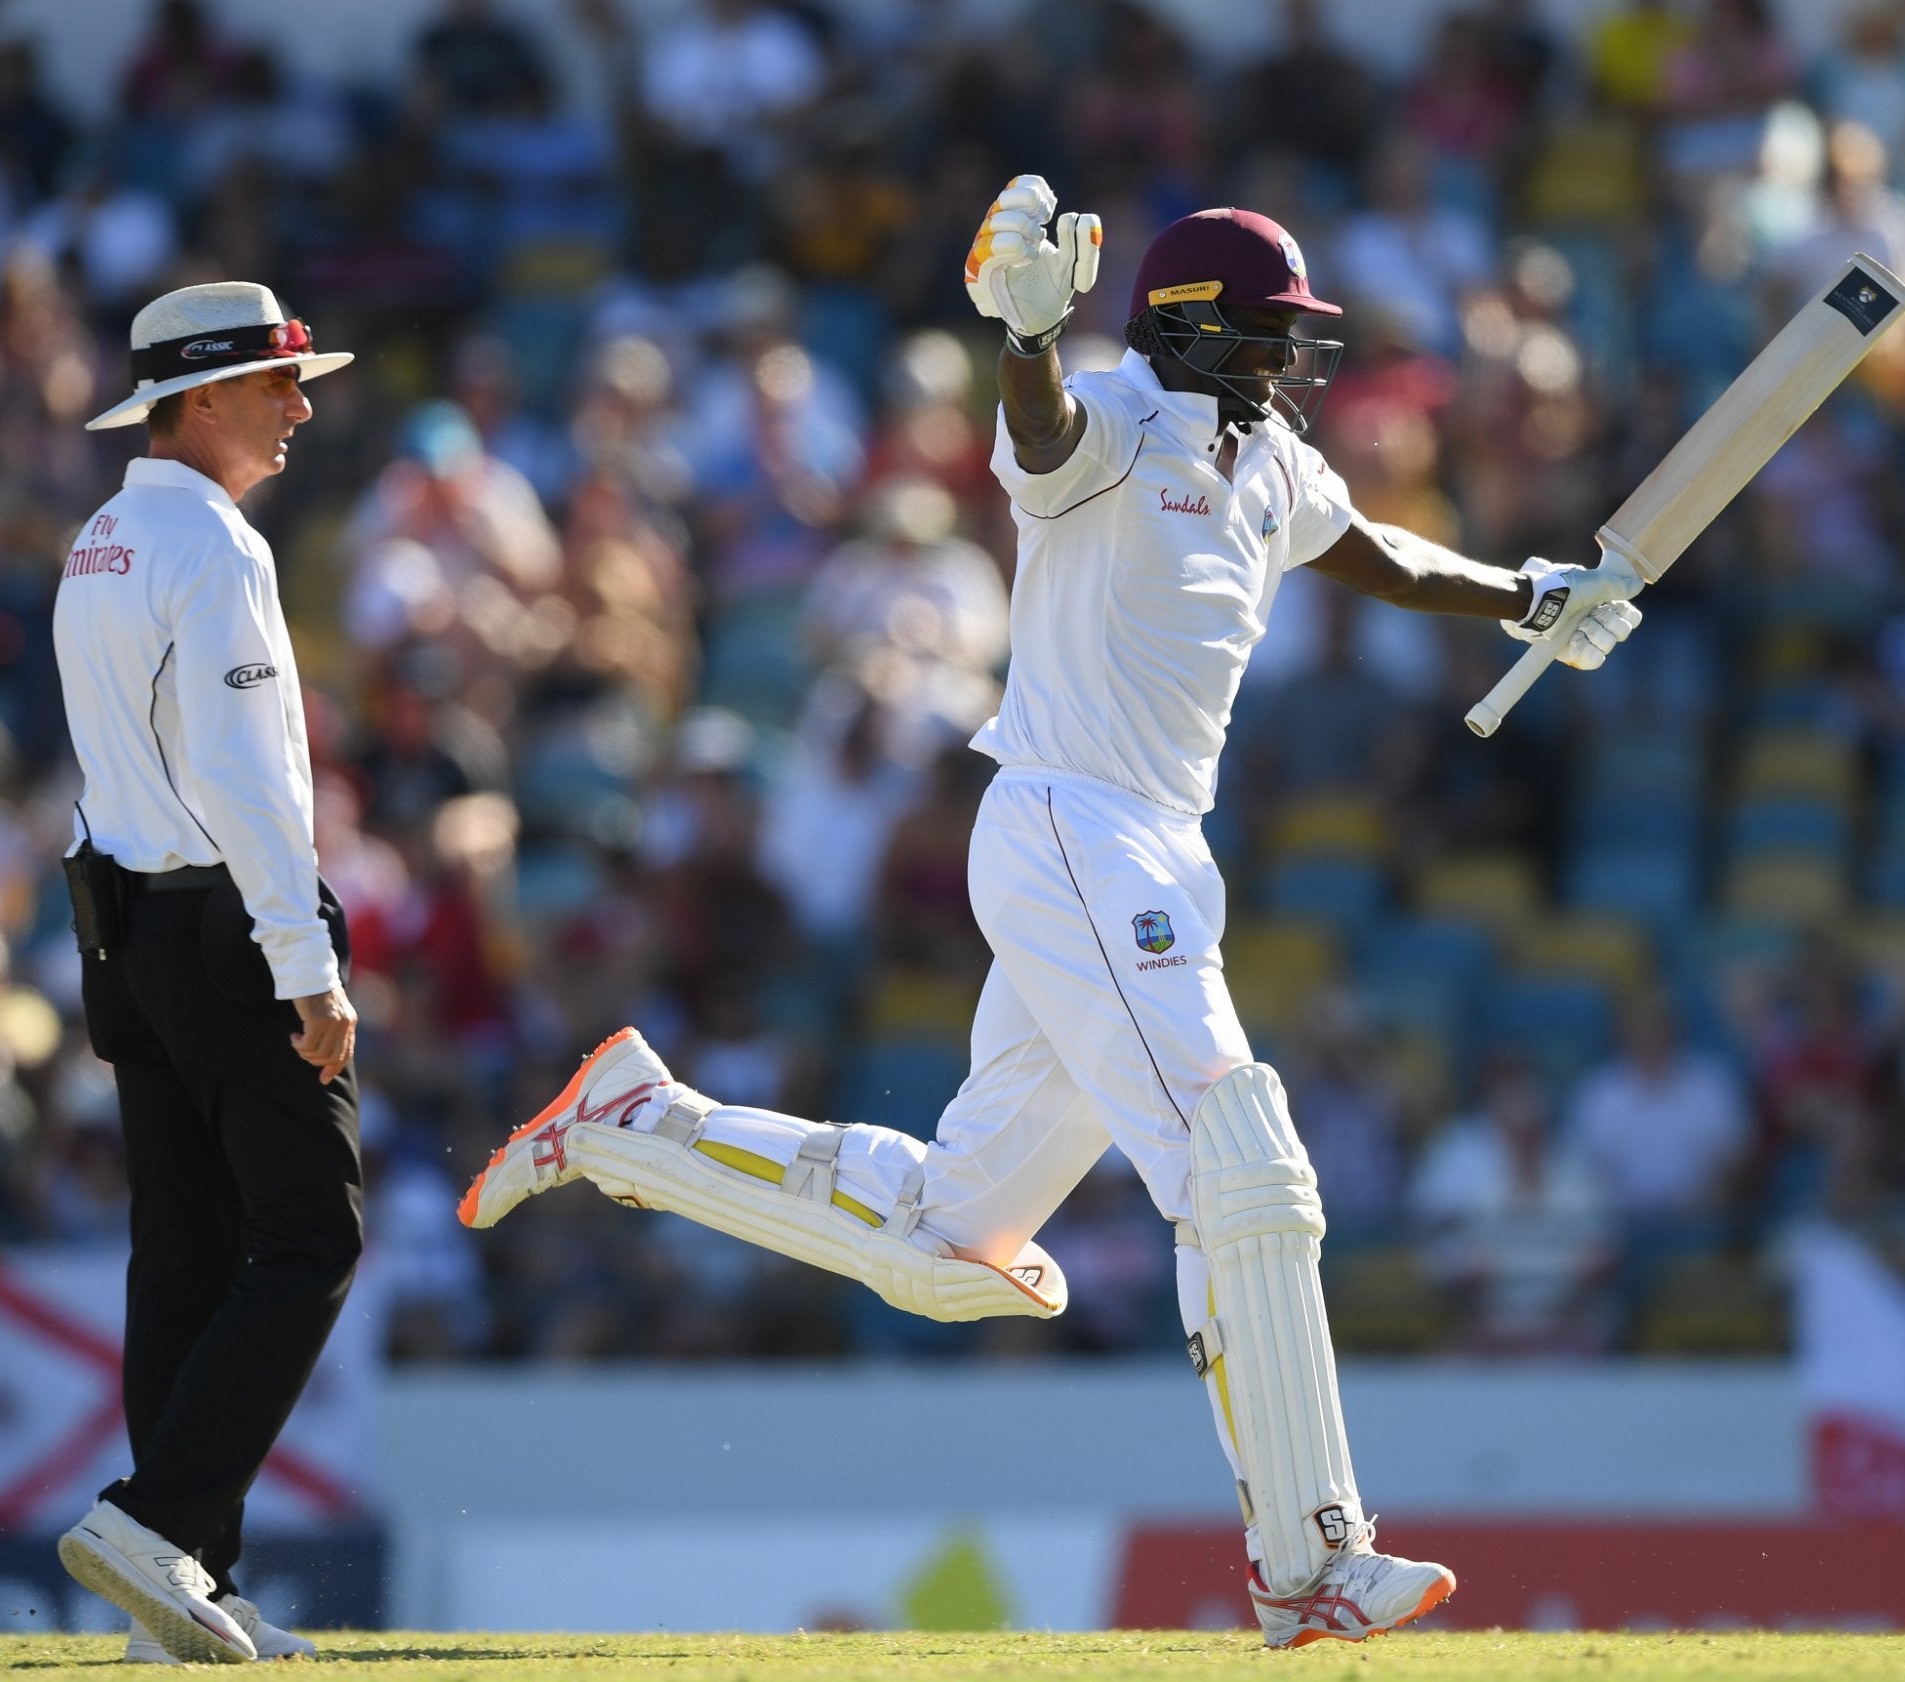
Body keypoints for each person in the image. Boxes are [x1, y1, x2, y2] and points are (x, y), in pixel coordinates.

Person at [459, 179, 1643, 1646]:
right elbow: (1039, 439)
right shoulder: (1111, 412)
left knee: (953, 1242)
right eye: (1271, 337)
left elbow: (1372, 555)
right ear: (1191, 329)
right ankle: (1311, 1557)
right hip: (1071, 824)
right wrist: (1020, 342)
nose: (1292, 364)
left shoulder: (1262, 457)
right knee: (1242, 1160)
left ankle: (637, 1124)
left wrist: (1520, 597)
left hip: (1148, 853)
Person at [51, 282, 361, 1666]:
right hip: (224, 927)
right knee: (310, 1234)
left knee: (180, 1250)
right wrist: (307, 963)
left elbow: (115, 769)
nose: (300, 409)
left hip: (124, 925)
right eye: (278, 384)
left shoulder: (100, 540)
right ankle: (158, 1522)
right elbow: (246, 781)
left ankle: (182, 1591)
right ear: (202, 399)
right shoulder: (215, 548)